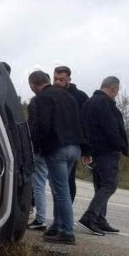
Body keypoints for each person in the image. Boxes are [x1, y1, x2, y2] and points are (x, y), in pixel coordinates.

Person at [28, 70, 90, 244]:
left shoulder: (42, 98)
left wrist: (37, 146)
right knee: (60, 189)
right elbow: (81, 122)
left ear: (33, 85)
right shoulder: (67, 96)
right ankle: (57, 225)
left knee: (61, 191)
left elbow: (43, 125)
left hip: (58, 148)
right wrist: (86, 149)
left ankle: (67, 232)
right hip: (74, 147)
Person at [78, 76, 129, 235]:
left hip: (94, 151)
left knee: (100, 186)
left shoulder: (89, 103)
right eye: (116, 91)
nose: (116, 94)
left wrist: (86, 150)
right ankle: (90, 216)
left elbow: (84, 128)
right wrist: (119, 145)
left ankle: (99, 219)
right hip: (106, 151)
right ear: (113, 89)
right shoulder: (105, 104)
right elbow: (111, 128)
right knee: (109, 184)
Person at [53, 66, 89, 204]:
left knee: (67, 180)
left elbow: (86, 124)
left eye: (61, 79)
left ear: (69, 79)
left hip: (71, 145)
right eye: (55, 79)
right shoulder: (51, 94)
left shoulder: (80, 97)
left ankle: (66, 209)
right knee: (54, 181)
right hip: (53, 144)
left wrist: (86, 150)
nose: (57, 82)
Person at [27, 96, 49, 232]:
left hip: (39, 149)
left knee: (38, 184)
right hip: (54, 148)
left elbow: (33, 124)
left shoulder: (37, 101)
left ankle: (40, 218)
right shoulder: (61, 100)